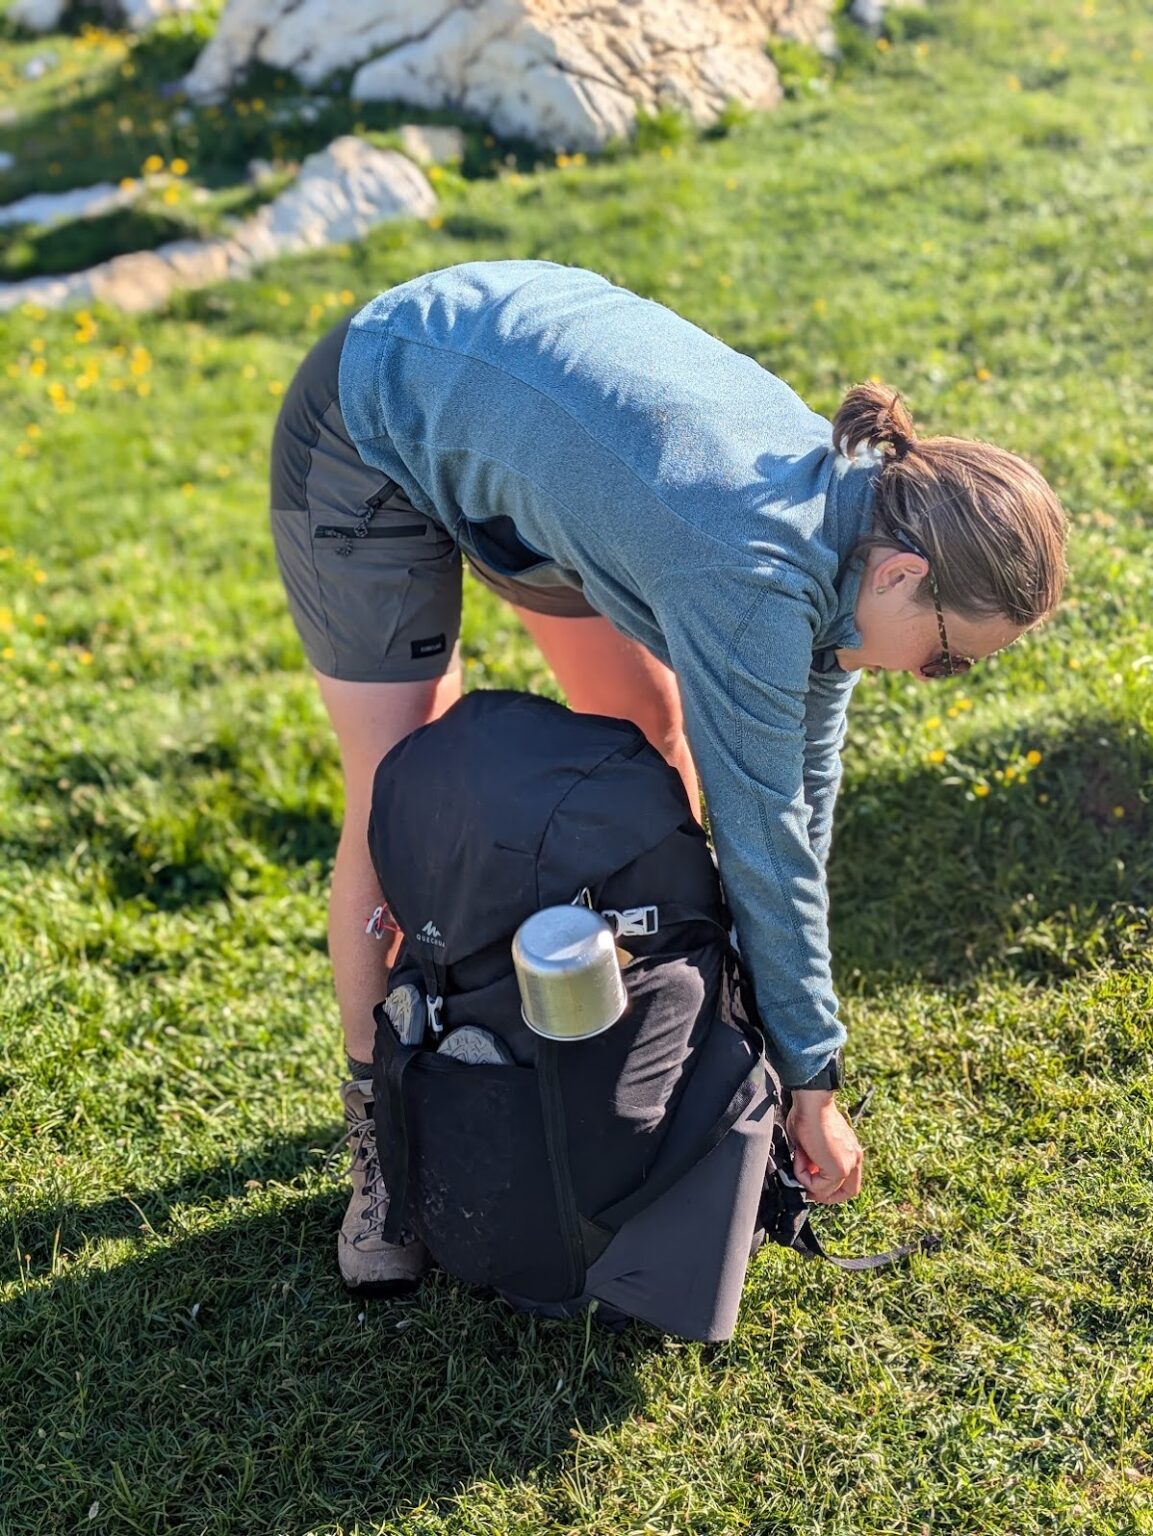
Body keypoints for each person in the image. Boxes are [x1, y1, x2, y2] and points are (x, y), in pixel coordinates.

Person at [269, 260, 1067, 1296]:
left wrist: (780, 1042)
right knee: (396, 791)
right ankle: (383, 1135)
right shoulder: (751, 572)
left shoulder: (855, 523)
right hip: (376, 411)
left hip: (519, 424)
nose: (928, 679)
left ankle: (654, 1045)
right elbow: (760, 830)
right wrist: (810, 1075)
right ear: (903, 573)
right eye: (947, 658)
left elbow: (797, 792)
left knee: (645, 728)